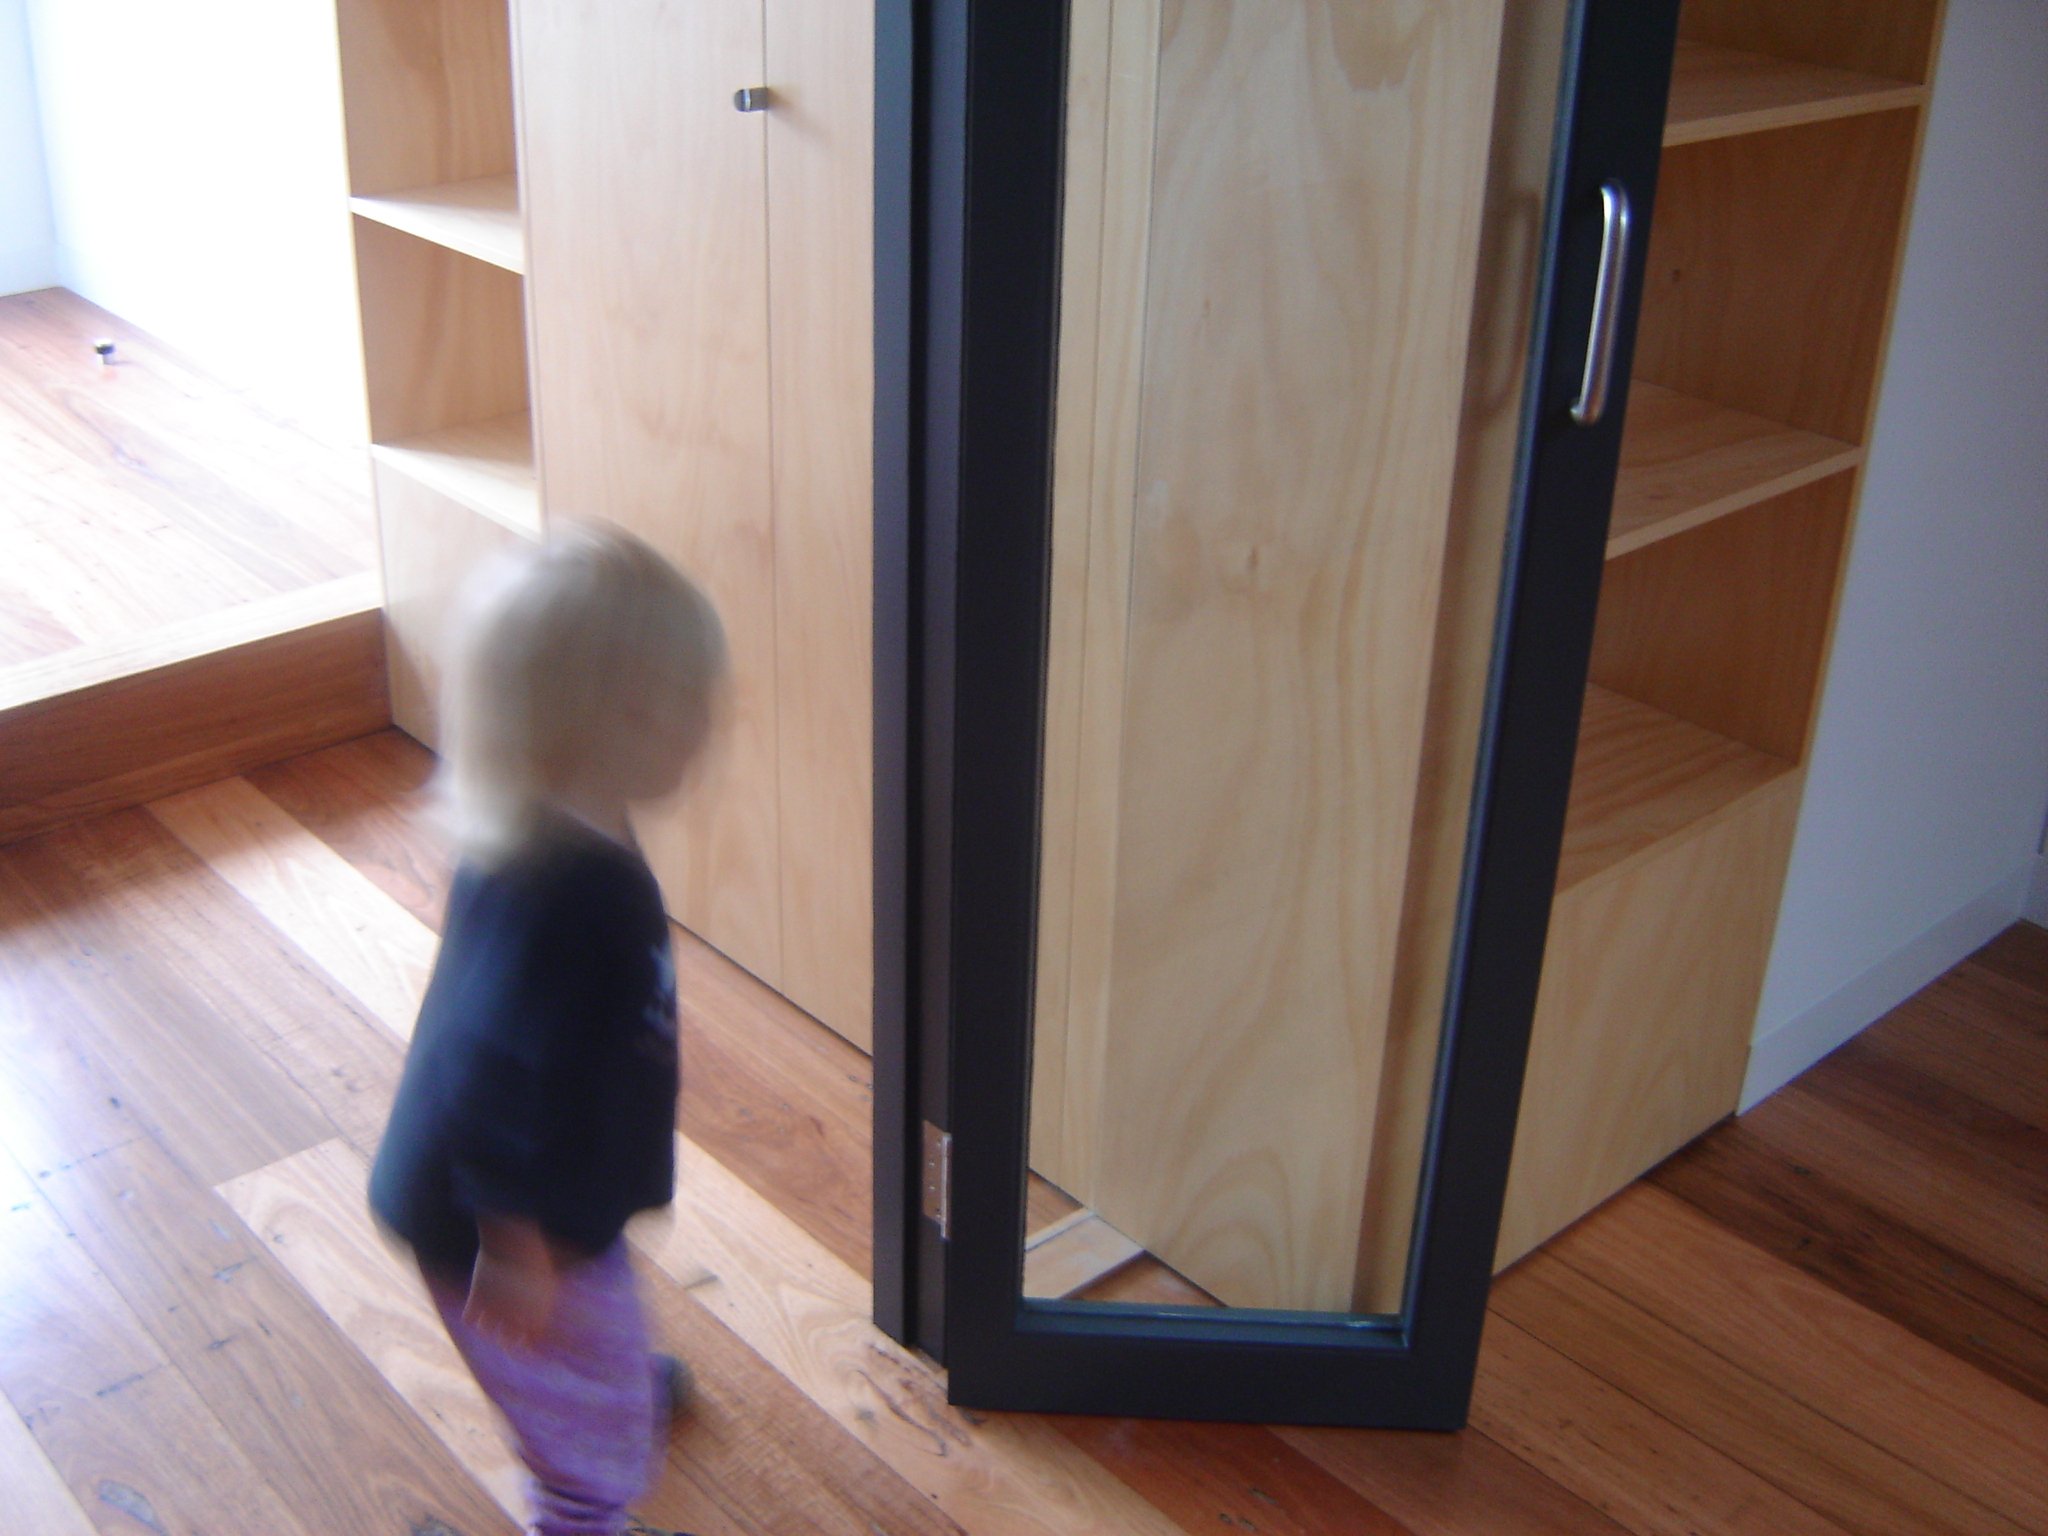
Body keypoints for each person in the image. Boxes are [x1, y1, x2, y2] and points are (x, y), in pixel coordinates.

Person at [369, 522, 725, 1536]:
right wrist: (516, 1244)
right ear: (611, 722)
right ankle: (582, 1494)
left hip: (516, 1191)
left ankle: (597, 1384)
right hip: (508, 1225)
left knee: (584, 1364)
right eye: (685, 707)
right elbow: (493, 1065)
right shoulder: (572, 892)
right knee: (587, 1452)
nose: (708, 728)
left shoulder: (547, 827)